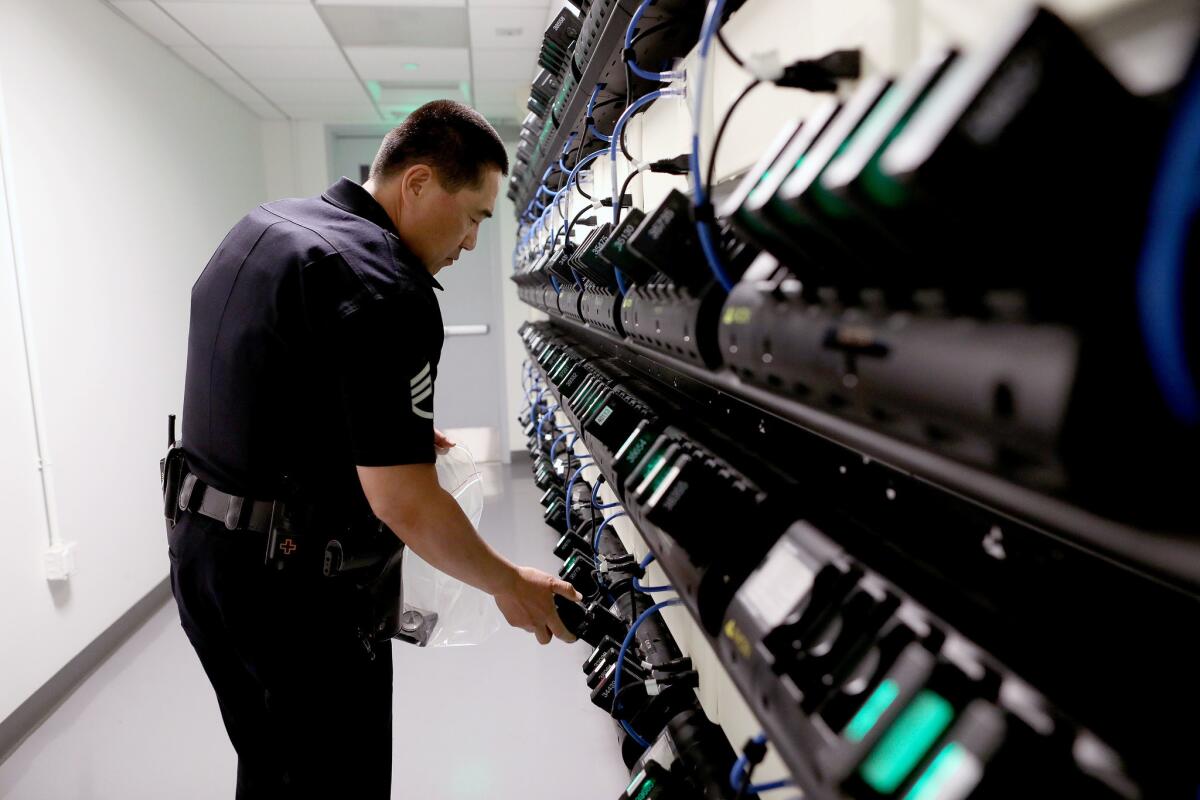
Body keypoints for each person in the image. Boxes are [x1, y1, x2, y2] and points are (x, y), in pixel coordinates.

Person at [166, 99, 581, 799]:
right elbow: (407, 503)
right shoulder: (386, 285)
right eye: (475, 214)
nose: (473, 242)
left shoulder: (265, 228)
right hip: (292, 595)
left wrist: (382, 426)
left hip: (205, 561)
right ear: (416, 183)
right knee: (335, 778)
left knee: (271, 762)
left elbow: (269, 381)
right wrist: (509, 584)